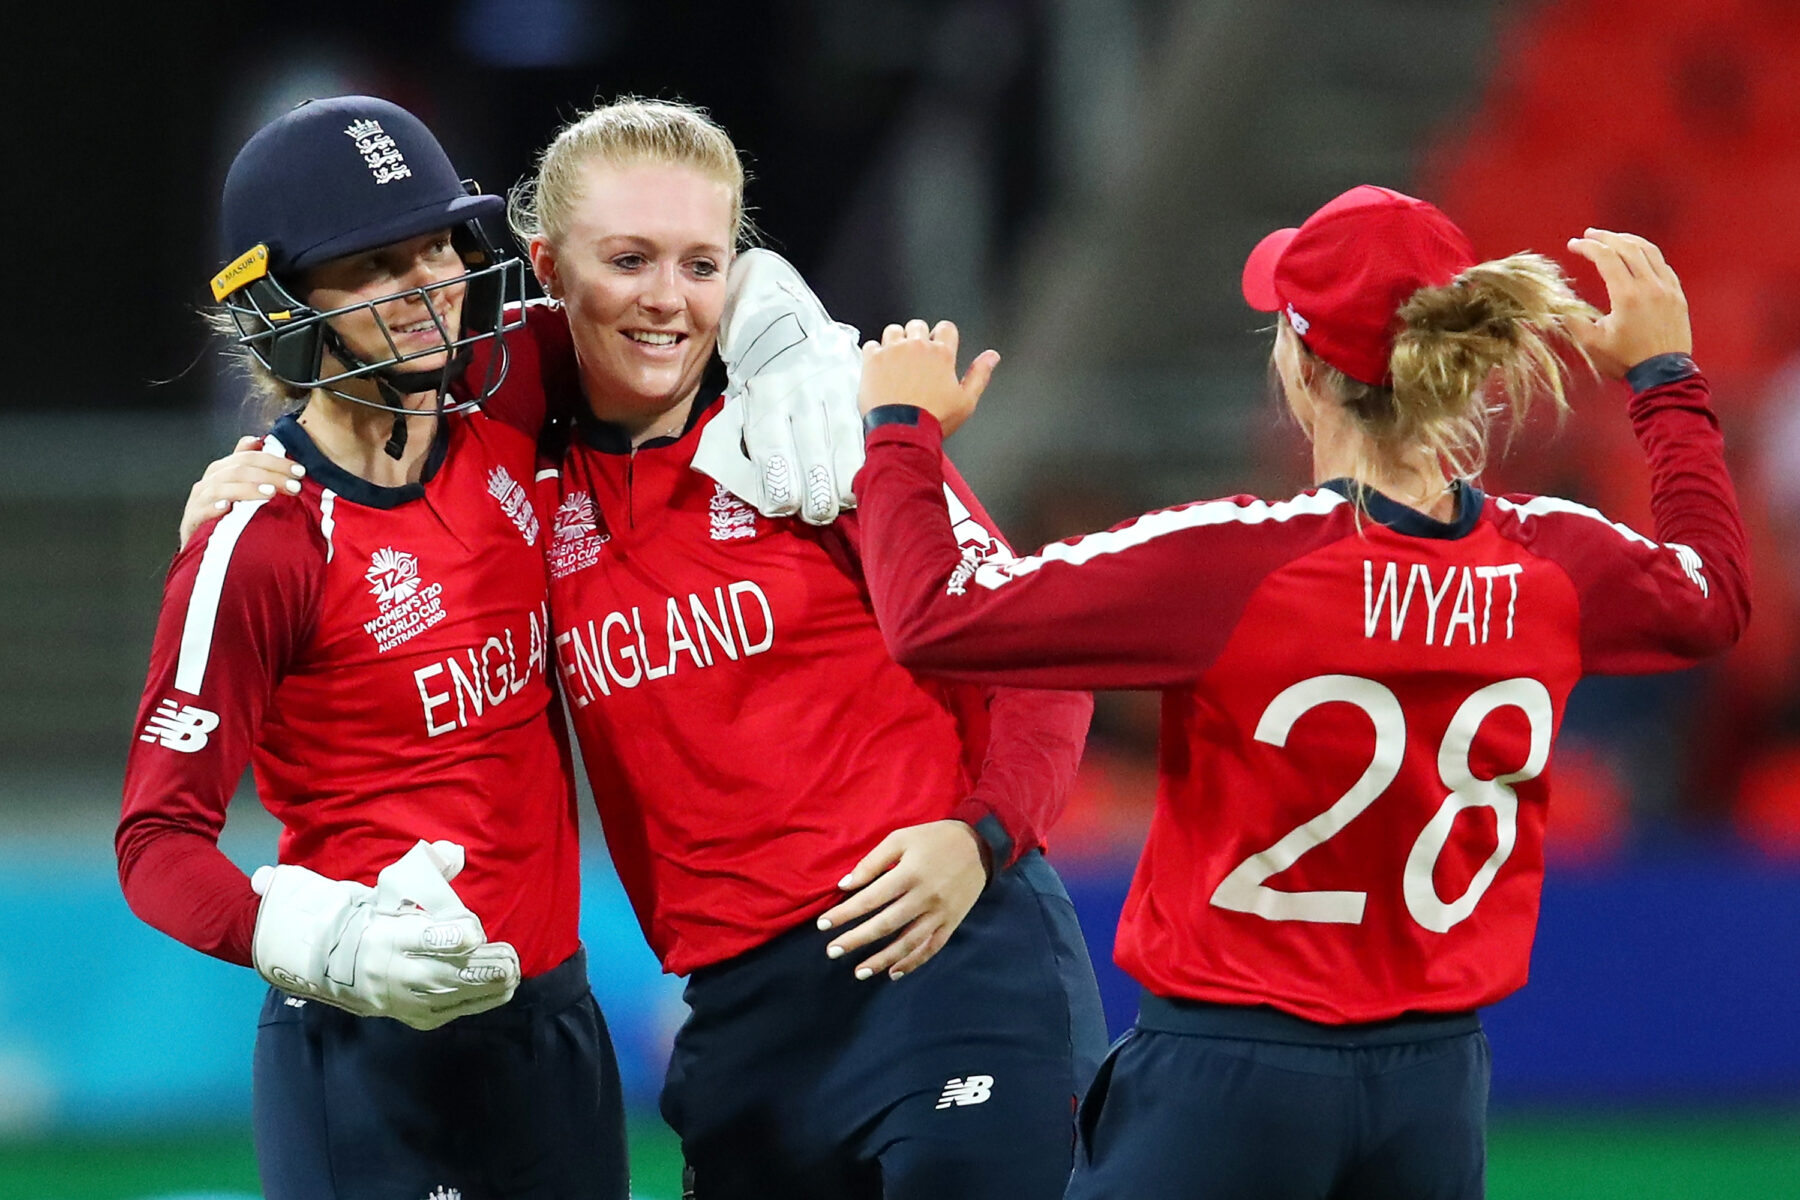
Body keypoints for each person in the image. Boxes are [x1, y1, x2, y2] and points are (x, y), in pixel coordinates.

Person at [181, 97, 1109, 1200]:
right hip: (738, 1027)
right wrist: (252, 479)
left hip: (947, 954)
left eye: (702, 264)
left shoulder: (816, 425)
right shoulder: (510, 458)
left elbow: (1038, 658)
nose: (667, 297)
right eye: (628, 260)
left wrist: (982, 837)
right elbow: (364, 385)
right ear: (544, 270)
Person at [848, 186, 1750, 1199]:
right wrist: (1665, 381)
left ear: (1305, 367)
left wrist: (901, 432)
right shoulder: (1558, 561)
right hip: (1433, 1091)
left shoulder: (1230, 562)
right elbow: (1714, 599)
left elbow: (935, 620)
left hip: (1224, 1083)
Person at [119, 96, 628, 1200]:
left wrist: (784, 326)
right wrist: (324, 941)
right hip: (363, 1052)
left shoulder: (509, 394)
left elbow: (667, 298)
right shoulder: (260, 541)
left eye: (438, 244)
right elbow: (156, 842)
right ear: (283, 308)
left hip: (554, 1033)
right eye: (374, 265)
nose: (429, 283)